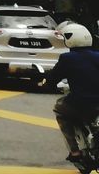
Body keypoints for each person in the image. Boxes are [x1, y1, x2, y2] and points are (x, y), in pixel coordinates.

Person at [41, 22, 99, 167]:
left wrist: (47, 85)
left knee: (59, 109)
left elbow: (54, 77)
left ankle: (74, 151)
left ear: (70, 39)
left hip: (80, 102)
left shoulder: (68, 58)